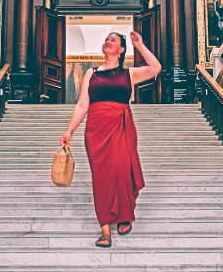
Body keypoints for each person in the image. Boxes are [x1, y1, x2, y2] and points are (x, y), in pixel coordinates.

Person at [59, 31, 161, 248]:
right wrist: (69, 131)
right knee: (102, 177)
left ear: (121, 49)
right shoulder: (91, 73)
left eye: (113, 40)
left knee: (123, 169)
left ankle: (124, 213)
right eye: (106, 39)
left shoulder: (129, 74)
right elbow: (82, 105)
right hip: (97, 130)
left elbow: (156, 68)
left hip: (122, 127)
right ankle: (105, 229)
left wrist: (140, 45)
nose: (108, 42)